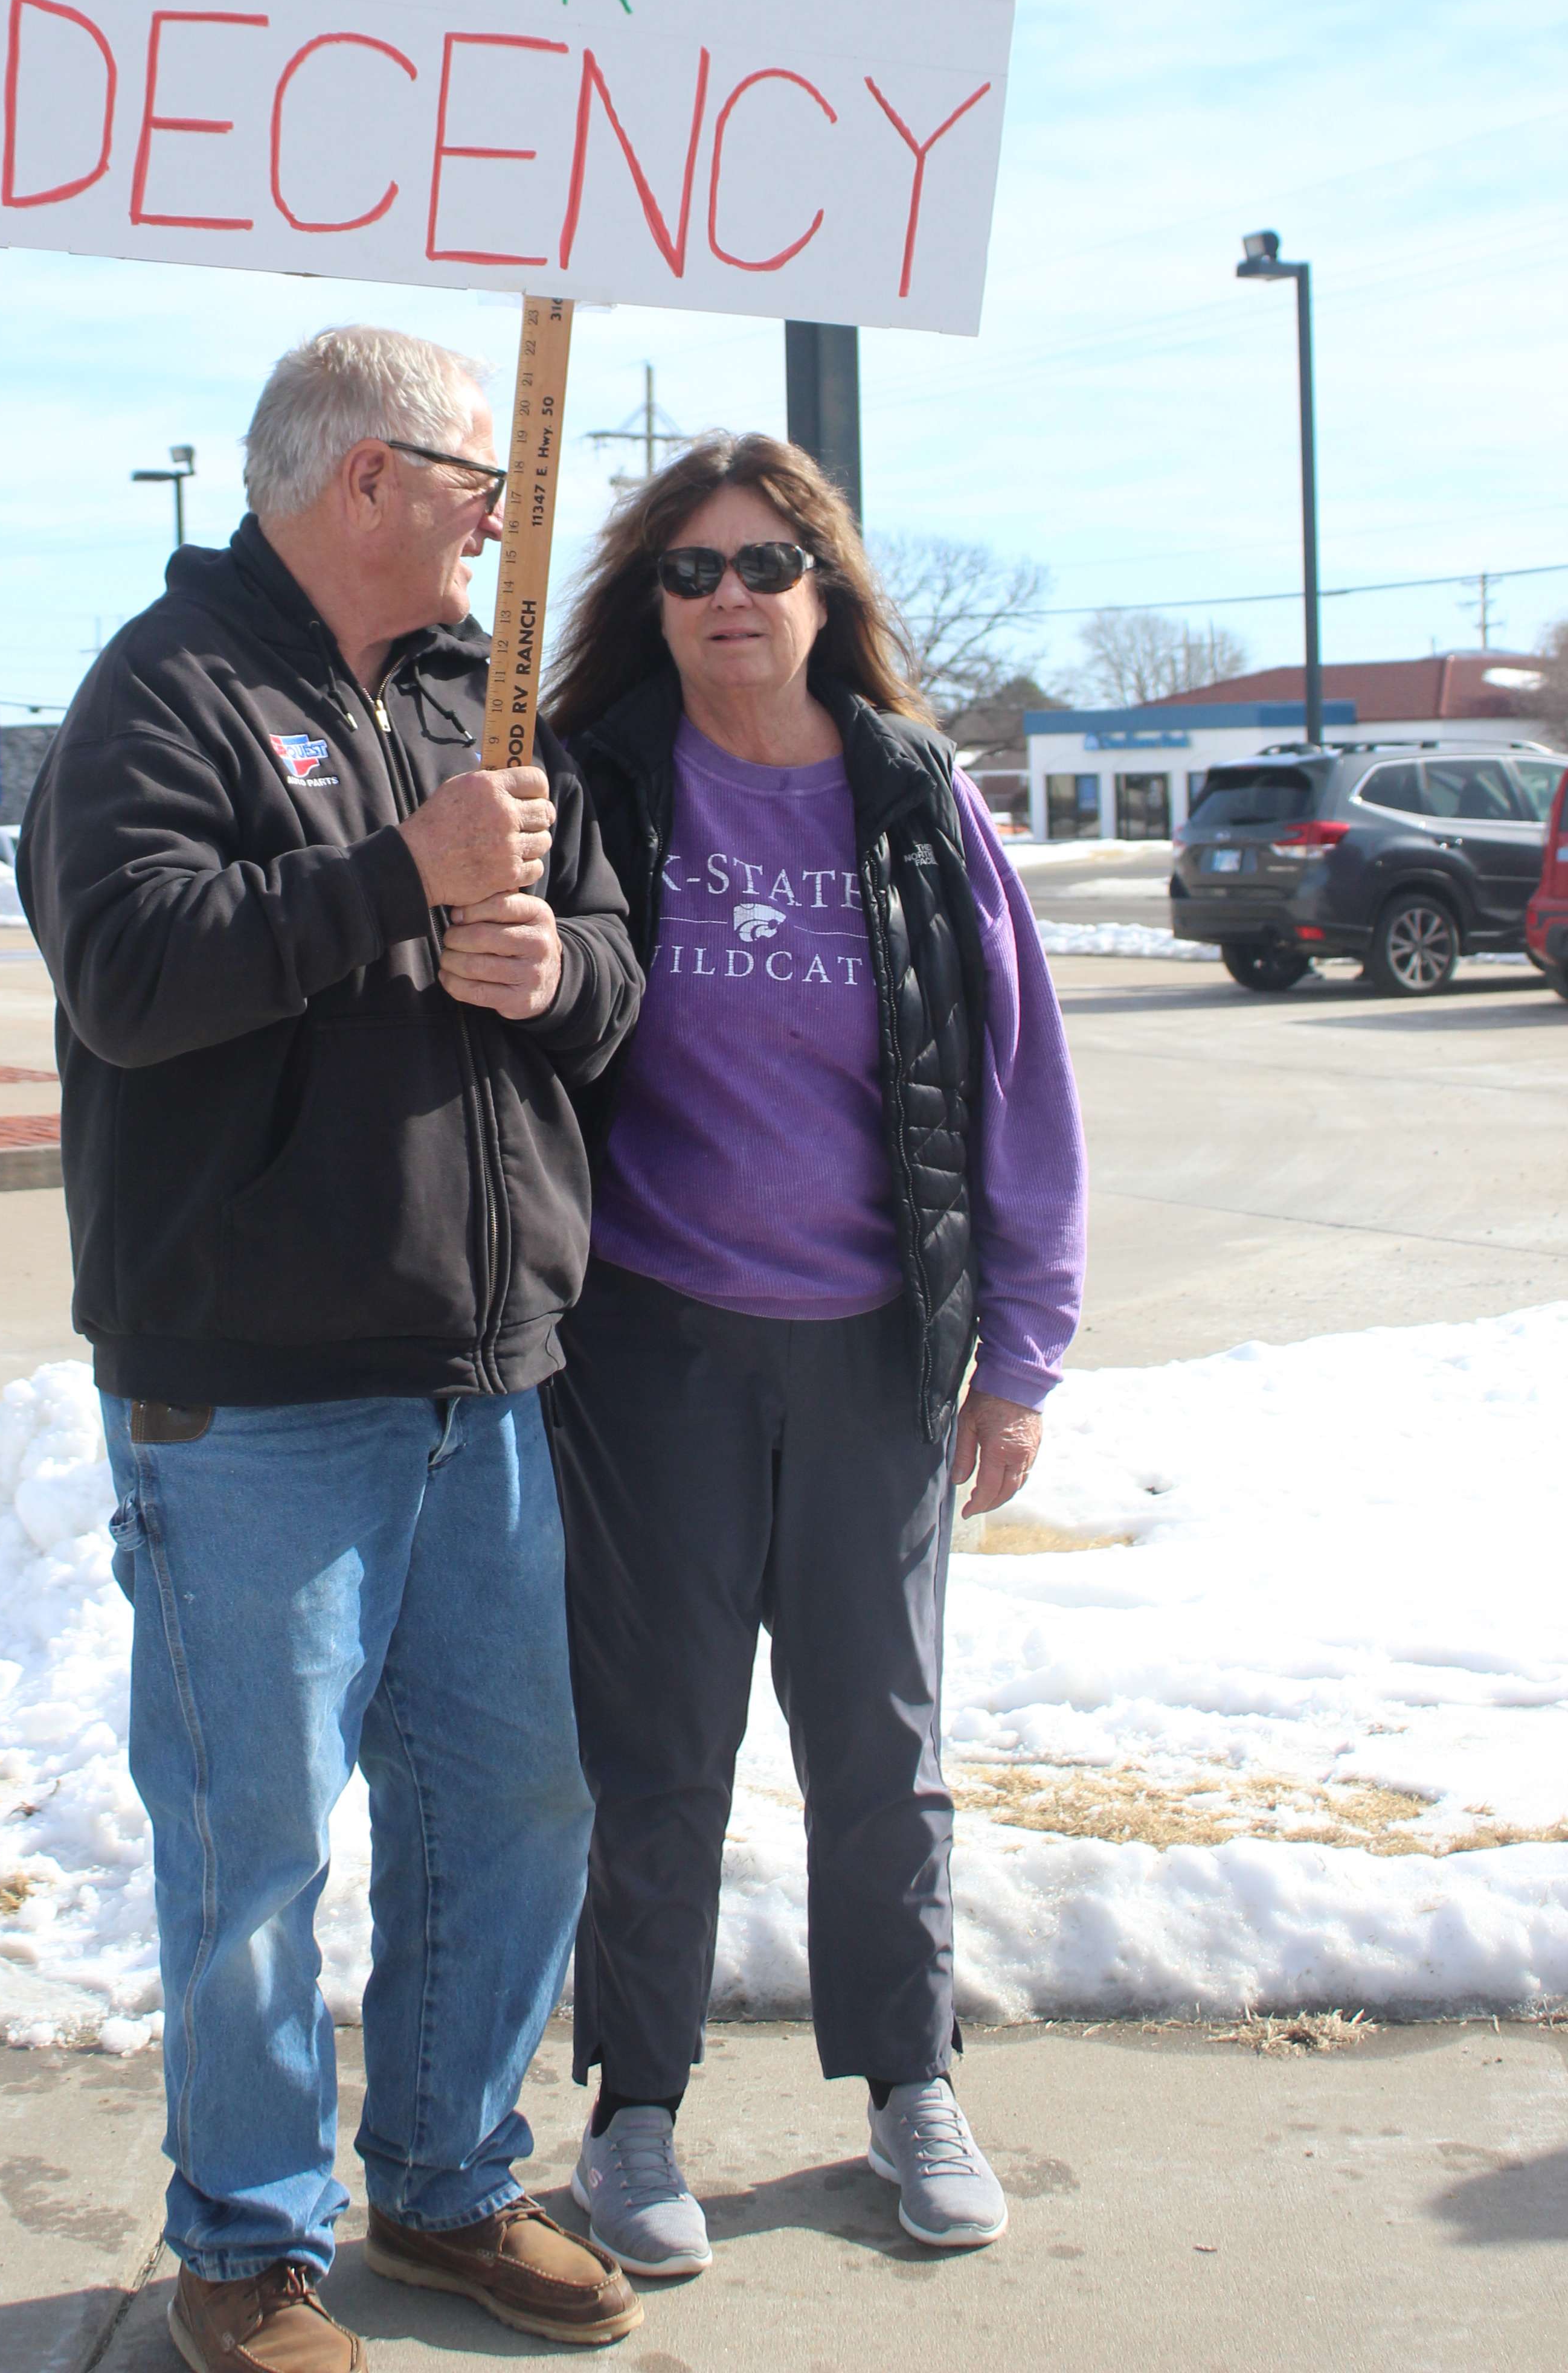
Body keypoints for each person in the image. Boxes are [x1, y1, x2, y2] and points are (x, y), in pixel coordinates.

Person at [18, 328, 647, 2373]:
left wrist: (553, 963)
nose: (507, 525)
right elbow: (127, 972)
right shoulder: (171, 688)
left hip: (486, 1376)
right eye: (486, 488)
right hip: (254, 1398)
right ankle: (247, 2242)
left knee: (515, 1801)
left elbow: (613, 976)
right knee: (255, 1841)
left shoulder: (498, 703)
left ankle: (455, 2183)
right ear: (365, 480)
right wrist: (400, 874)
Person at [539, 432, 1087, 2275]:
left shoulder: (916, 801)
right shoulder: (596, 785)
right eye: (689, 571)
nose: (730, 600)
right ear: (654, 603)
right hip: (653, 1358)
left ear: (825, 588)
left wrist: (1020, 1351)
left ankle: (911, 2084)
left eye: (766, 563)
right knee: (659, 1752)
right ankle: (631, 2115)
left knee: (882, 1746)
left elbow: (1019, 1091)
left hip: (872, 1354)